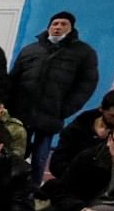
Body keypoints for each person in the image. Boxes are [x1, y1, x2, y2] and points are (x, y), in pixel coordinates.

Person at [8, 11, 100, 187]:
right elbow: (13, 78)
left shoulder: (84, 53)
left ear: (71, 28)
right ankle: (12, 186)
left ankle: (34, 190)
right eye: (55, 23)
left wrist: (64, 109)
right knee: (16, 152)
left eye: (63, 24)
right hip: (22, 113)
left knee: (40, 157)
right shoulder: (30, 50)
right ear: (49, 26)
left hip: (50, 115)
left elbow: (86, 85)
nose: (58, 27)